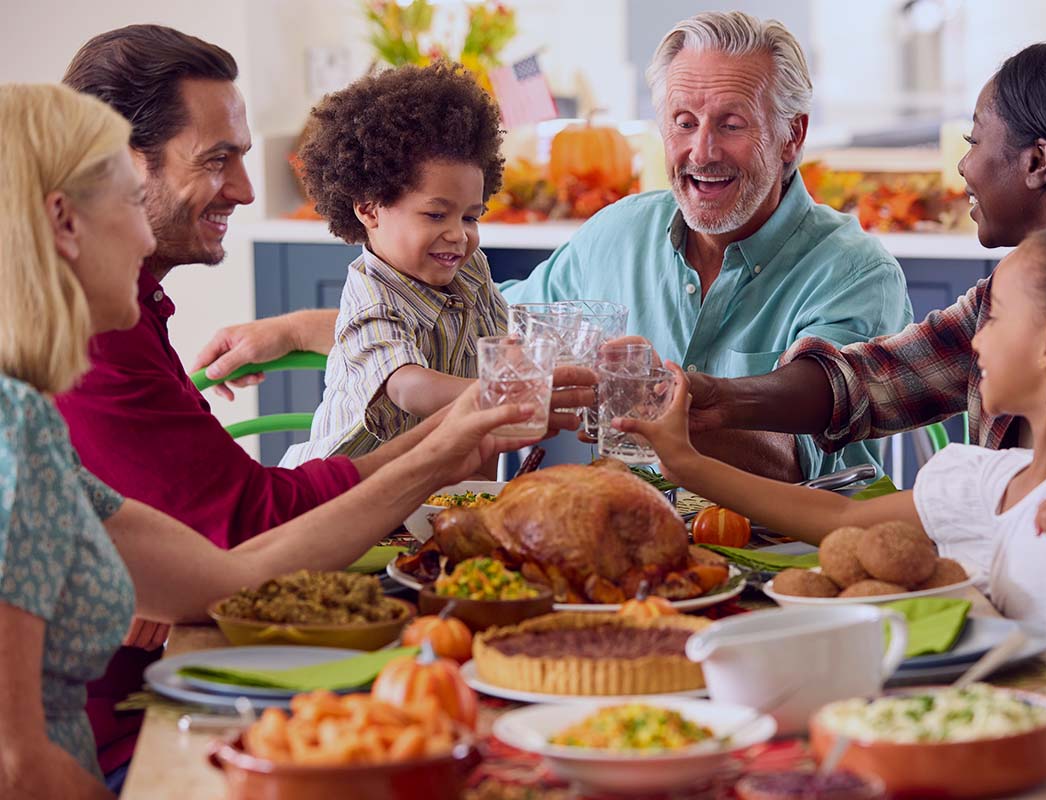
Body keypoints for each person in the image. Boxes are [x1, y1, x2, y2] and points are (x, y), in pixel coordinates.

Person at [52, 24, 591, 783]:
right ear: (113, 167)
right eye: (218, 159)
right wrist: (442, 449)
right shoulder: (89, 336)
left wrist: (454, 440)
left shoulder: (123, 310)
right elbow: (242, 538)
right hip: (126, 747)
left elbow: (183, 550)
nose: (246, 186)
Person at [194, 11, 913, 484]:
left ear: (792, 136)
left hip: (789, 570)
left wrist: (647, 408)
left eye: (732, 124)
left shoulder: (853, 273)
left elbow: (815, 464)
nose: (700, 150)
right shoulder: (619, 232)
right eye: (683, 120)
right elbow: (480, 333)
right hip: (620, 549)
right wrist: (289, 330)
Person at [618, 222, 1046, 798]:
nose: (975, 341)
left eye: (992, 317)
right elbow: (837, 520)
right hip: (1012, 765)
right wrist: (686, 463)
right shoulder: (986, 482)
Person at [682, 37, 1046, 456]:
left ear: (1038, 162)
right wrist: (719, 398)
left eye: (974, 142)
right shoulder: (1018, 290)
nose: (963, 167)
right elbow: (874, 381)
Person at [280, 62, 508, 465]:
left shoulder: (470, 270)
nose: (459, 234)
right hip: (341, 495)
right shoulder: (370, 299)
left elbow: (505, 348)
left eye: (471, 217)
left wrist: (557, 366)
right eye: (436, 215)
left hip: (426, 484)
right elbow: (408, 388)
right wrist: (509, 396)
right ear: (370, 209)